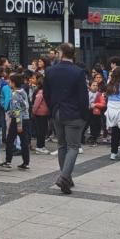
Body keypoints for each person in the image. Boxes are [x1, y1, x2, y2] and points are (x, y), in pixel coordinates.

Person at [43, 43, 89, 193]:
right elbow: (83, 97)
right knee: (73, 147)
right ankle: (64, 177)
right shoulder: (78, 72)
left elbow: (46, 94)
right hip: (74, 113)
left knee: (62, 145)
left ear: (61, 54)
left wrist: (53, 108)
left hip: (57, 112)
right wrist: (84, 115)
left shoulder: (50, 71)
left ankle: (66, 177)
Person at [3, 73, 32, 170]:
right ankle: (26, 162)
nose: (9, 83)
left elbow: (17, 110)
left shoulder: (15, 94)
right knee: (24, 142)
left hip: (18, 120)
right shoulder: (23, 91)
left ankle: (8, 161)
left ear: (14, 83)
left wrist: (19, 124)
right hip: (26, 118)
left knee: (10, 140)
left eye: (10, 82)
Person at [31, 77, 51, 155]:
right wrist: (33, 112)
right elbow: (36, 104)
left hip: (44, 114)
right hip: (39, 114)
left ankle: (41, 146)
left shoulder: (44, 92)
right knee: (40, 131)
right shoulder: (40, 93)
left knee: (43, 131)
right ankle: (39, 147)